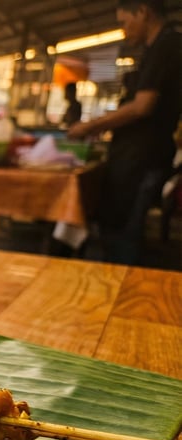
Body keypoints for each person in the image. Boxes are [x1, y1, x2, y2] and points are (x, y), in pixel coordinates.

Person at [67, 0, 181, 265]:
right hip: (137, 157)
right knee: (119, 229)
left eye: (124, 22)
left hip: (142, 159)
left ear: (143, 11)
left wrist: (90, 126)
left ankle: (119, 294)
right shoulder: (158, 47)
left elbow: (142, 106)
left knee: (123, 235)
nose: (123, 30)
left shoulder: (167, 45)